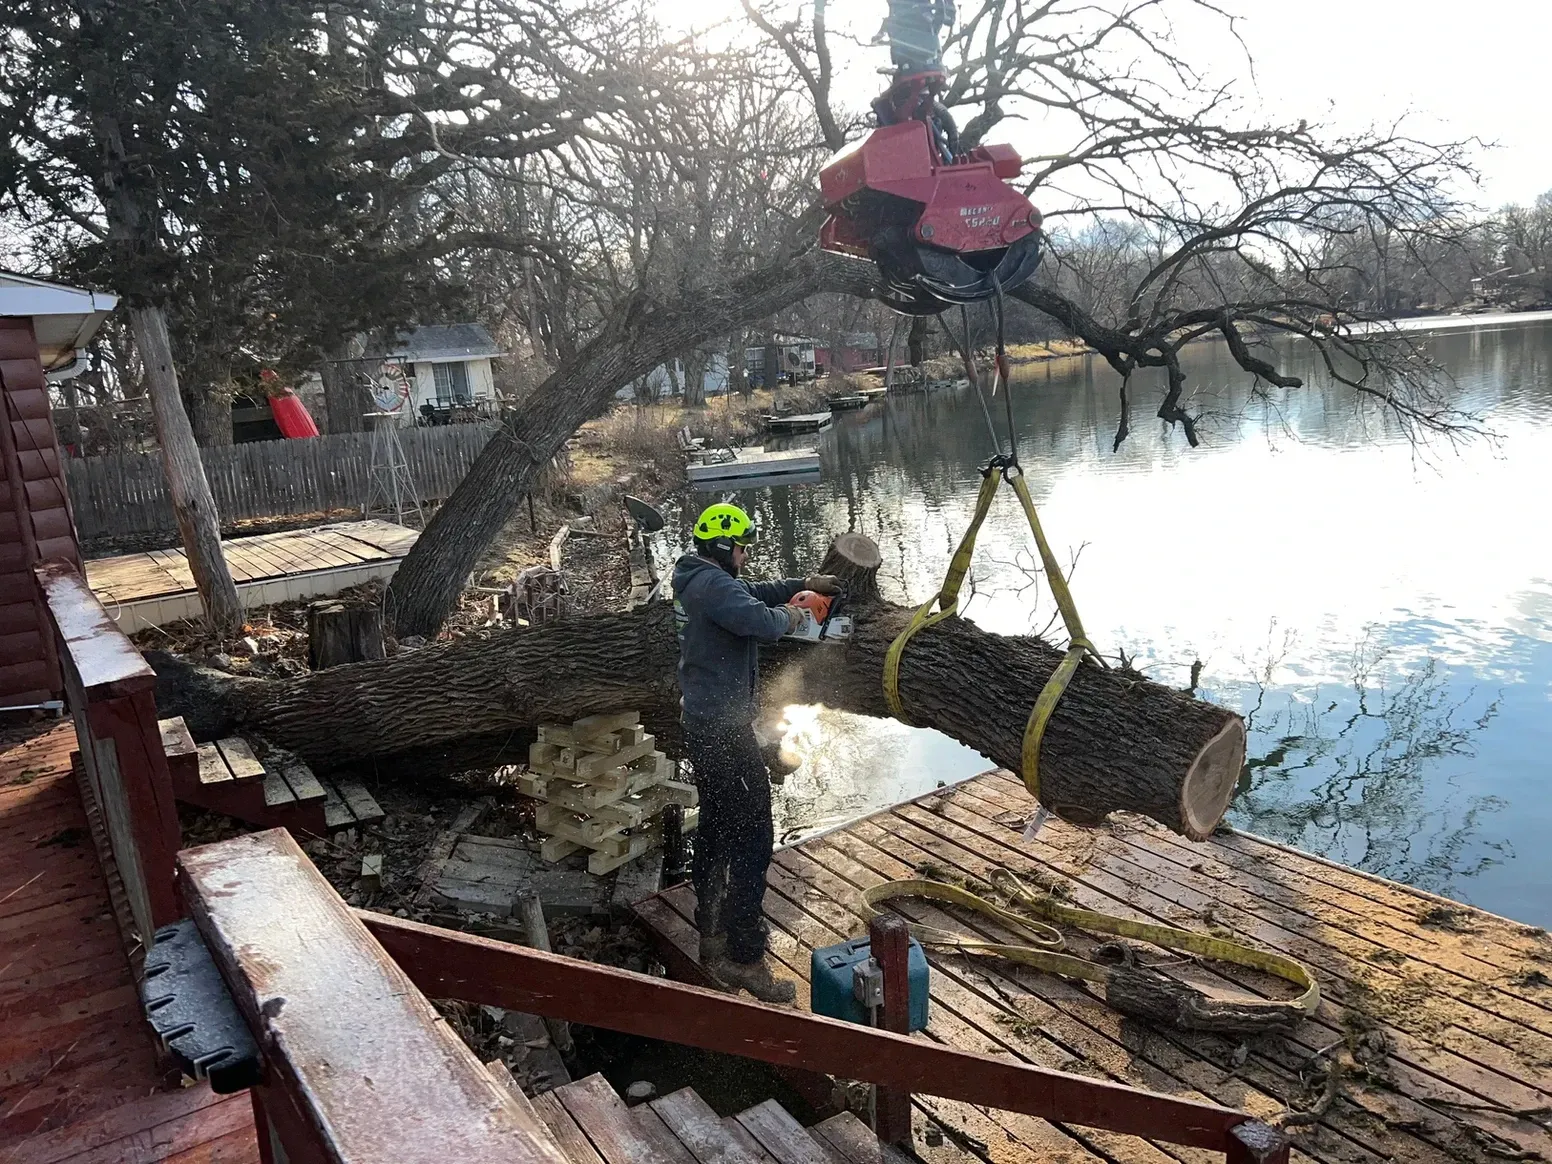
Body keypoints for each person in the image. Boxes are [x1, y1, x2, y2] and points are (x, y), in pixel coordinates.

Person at [672, 503, 841, 1003]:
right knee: (754, 836)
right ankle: (745, 957)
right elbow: (764, 622)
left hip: (705, 725)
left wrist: (801, 582)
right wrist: (797, 613)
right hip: (724, 732)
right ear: (726, 548)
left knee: (718, 827)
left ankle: (711, 934)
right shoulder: (714, 586)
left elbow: (753, 593)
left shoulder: (699, 577)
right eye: (743, 547)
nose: (746, 555)